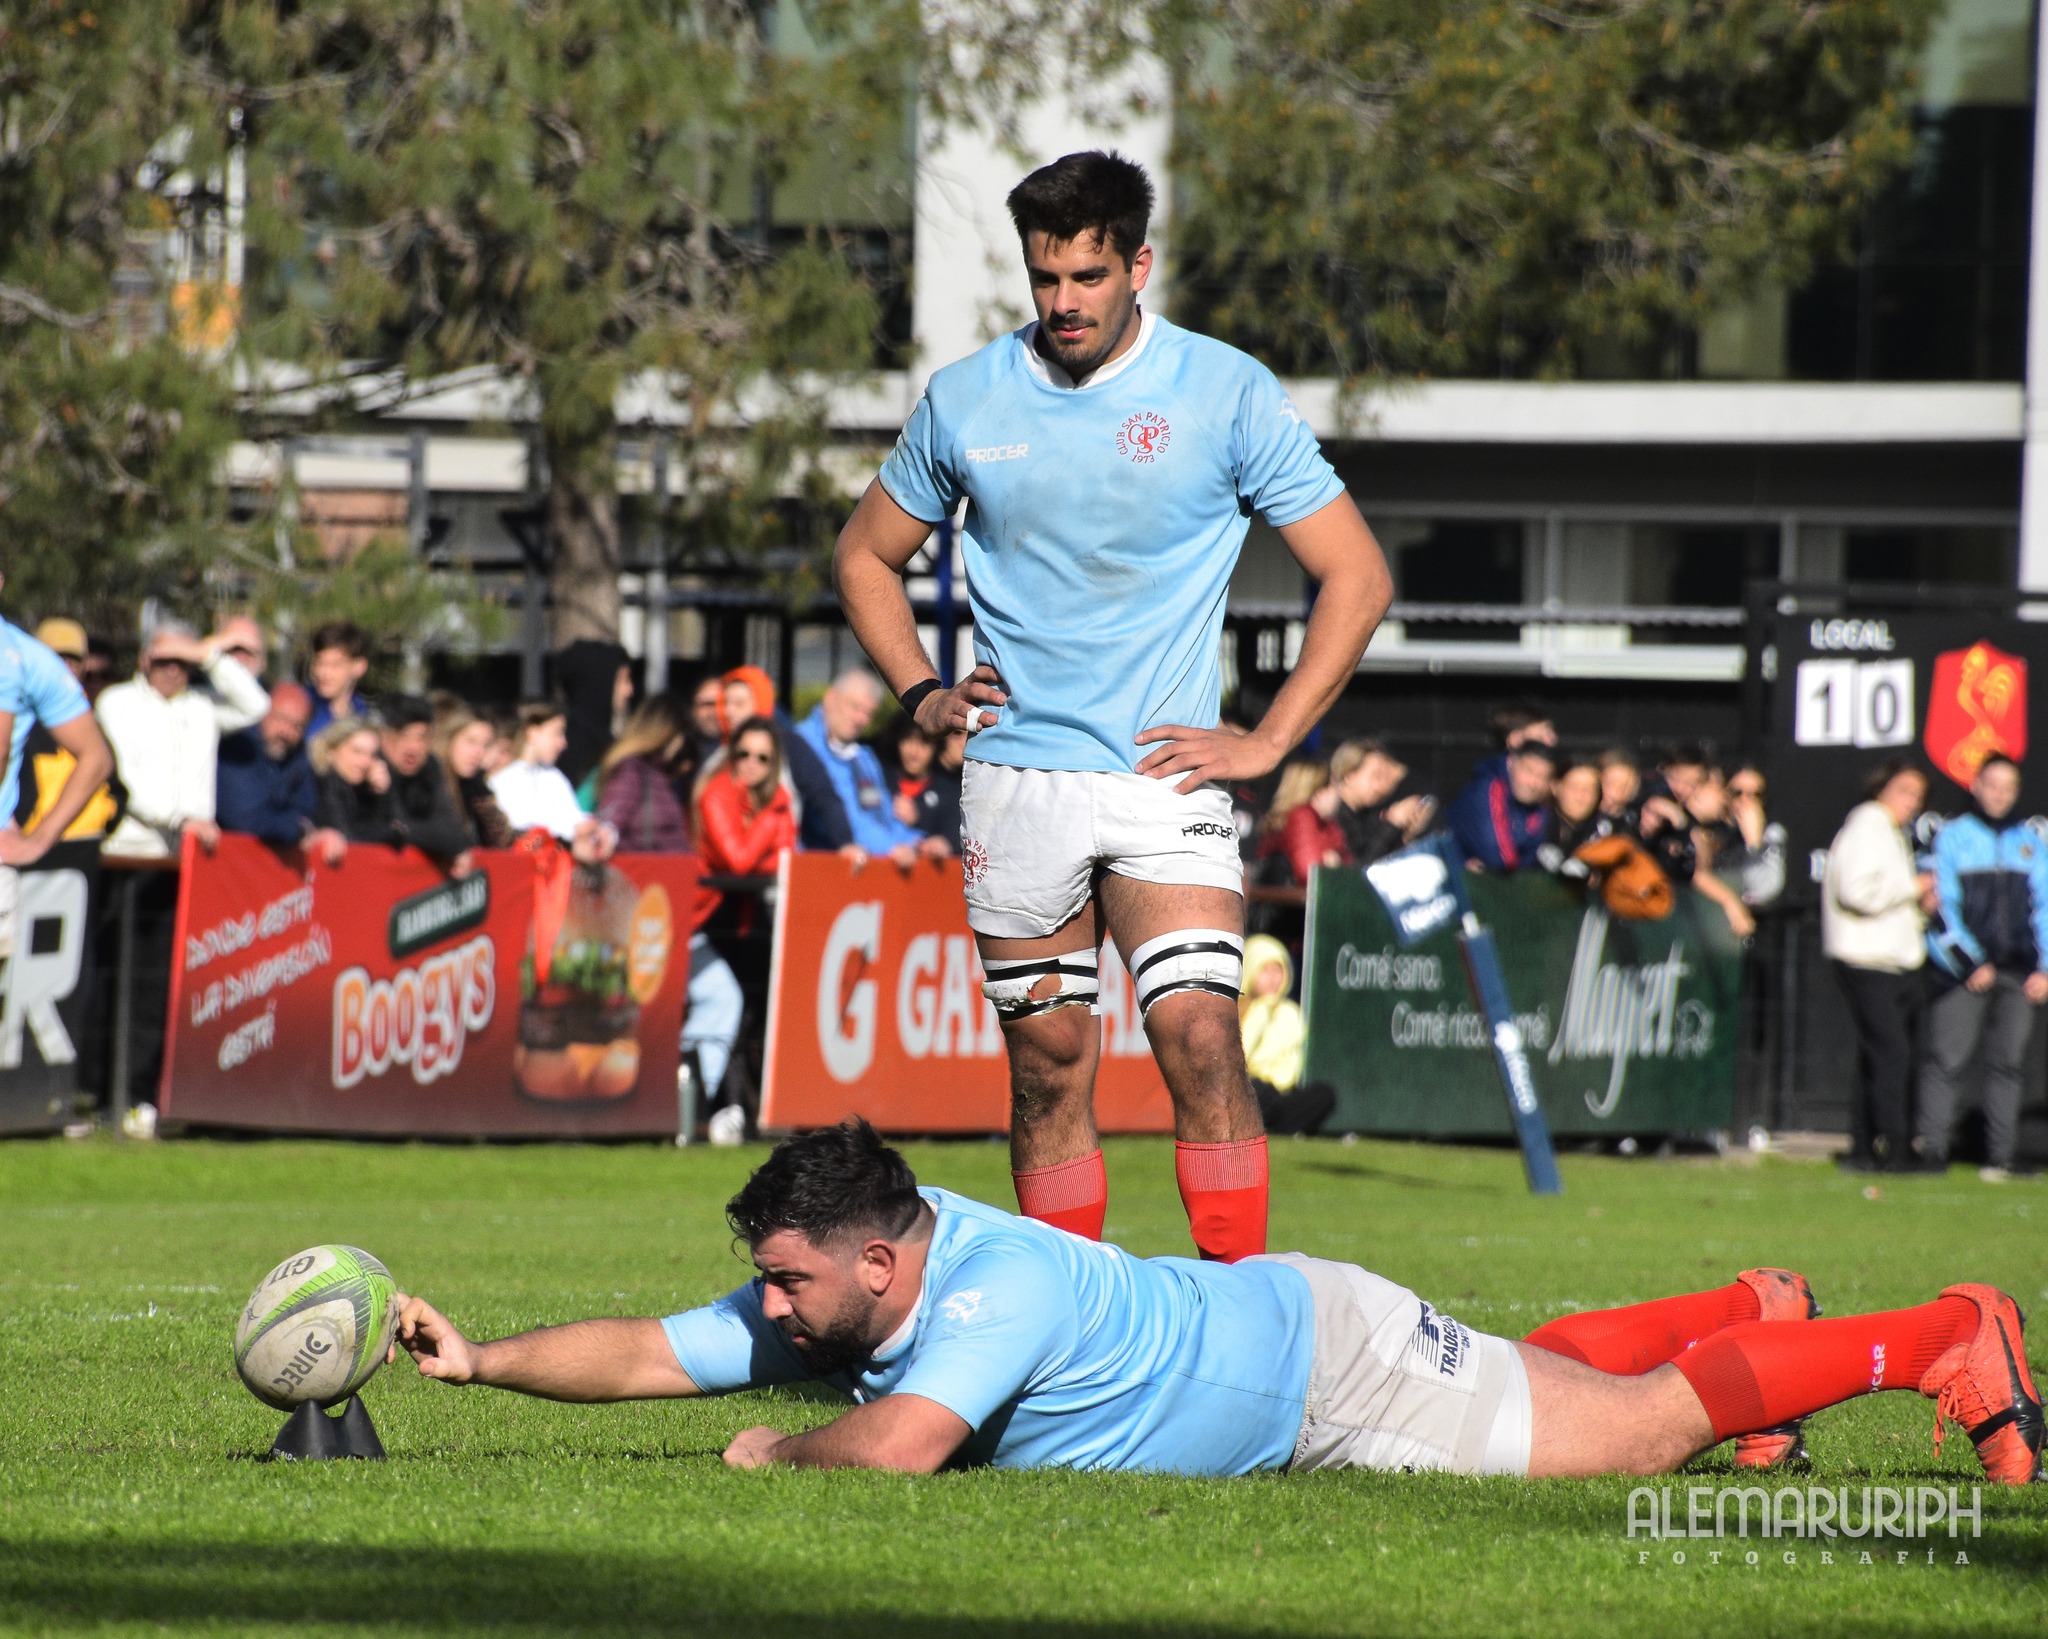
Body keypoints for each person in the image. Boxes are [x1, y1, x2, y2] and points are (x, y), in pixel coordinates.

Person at [832, 151, 1390, 1261]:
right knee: (1046, 1062)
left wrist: (1271, 740)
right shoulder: (968, 397)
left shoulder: (1223, 390)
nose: (1063, 302)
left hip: (1159, 778)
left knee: (1198, 1034)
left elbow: (1357, 574)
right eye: (1044, 279)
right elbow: (861, 557)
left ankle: (1240, 1318)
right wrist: (924, 693)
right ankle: (1069, 1326)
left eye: (1086, 277)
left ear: (1138, 263)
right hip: (1014, 778)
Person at [387, 1120, 2045, 1487]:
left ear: (880, 1261)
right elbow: (646, 1350)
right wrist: (477, 1362)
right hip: (1298, 1333)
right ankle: (1746, 1304)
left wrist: (767, 1455)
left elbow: (886, 1454)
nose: (762, 1303)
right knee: (1564, 1384)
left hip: (1330, 1376)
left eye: (785, 1279)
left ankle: (1939, 1330)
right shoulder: (863, 1272)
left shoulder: (989, 1287)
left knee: (1618, 1443)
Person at [1917, 753, 2048, 1182]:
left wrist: (2044, 968)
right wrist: (1970, 962)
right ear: (1975, 785)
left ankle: (2001, 1157)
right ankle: (1932, 1150)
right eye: (1992, 785)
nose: (2000, 795)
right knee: (1947, 1060)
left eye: (2008, 787)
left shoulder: (2029, 842)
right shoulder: (1952, 837)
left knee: (2008, 1064)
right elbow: (1942, 909)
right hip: (1964, 973)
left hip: (2018, 972)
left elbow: (2045, 910)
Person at [1821, 760, 1933, 1175]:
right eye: (1905, 791)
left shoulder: (1888, 832)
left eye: (1918, 796)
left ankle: (1863, 1149)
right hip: (1868, 960)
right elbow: (1856, 890)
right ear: (1881, 788)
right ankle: (1897, 1149)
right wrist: (1912, 887)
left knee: (1877, 1056)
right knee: (1892, 1056)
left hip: (1889, 959)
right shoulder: (1868, 825)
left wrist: (1917, 906)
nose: (1912, 803)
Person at [97, 619, 270, 860]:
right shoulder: (117, 702)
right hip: (129, 848)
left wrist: (207, 655)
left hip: (192, 849)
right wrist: (179, 819)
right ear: (145, 660)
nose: (173, 670)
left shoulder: (203, 706)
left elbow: (257, 705)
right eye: (164, 660)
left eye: (182, 661)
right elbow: (123, 779)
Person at [0, 594, 117, 948]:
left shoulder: (27, 658)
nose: (67, 664)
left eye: (74, 658)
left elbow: (97, 758)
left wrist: (39, 840)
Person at [794, 669, 941, 868]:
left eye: (868, 713)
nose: (860, 719)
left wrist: (917, 842)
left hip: (863, 868)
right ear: (830, 698)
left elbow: (882, 813)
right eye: (854, 707)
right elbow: (845, 814)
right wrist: (889, 847)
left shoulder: (863, 757)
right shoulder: (802, 744)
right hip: (815, 867)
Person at [14, 617, 125, 840]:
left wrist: (102, 816)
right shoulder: (16, 714)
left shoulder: (90, 720)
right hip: (25, 848)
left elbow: (114, 788)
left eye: (72, 660)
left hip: (83, 846)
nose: (63, 668)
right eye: (55, 658)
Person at [215, 681, 345, 863]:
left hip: (271, 870)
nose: (286, 732)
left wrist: (300, 826)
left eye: (297, 726)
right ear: (263, 713)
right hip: (227, 863)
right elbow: (246, 819)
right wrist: (296, 829)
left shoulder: (297, 755)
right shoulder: (239, 745)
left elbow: (306, 810)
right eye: (280, 719)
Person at [1238, 935, 1334, 1136]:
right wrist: (1261, 1012)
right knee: (1261, 1092)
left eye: (1278, 970)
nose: (1273, 978)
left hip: (1282, 1093)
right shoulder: (1239, 1009)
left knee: (1322, 1095)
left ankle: (1277, 1127)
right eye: (1265, 970)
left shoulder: (1290, 1012)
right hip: (1249, 1087)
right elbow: (1243, 1055)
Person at [694, 716, 797, 880]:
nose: (751, 763)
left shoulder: (778, 797)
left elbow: (787, 859)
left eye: (762, 757)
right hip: (713, 898)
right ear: (734, 754)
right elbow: (739, 862)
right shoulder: (716, 796)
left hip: (755, 895)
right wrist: (769, 816)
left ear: (773, 763)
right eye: (744, 754)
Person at [378, 695, 477, 861]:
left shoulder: (430, 767)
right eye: (403, 736)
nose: (413, 748)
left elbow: (453, 833)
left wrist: (406, 830)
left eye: (422, 737)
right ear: (384, 737)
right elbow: (385, 829)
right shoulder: (368, 768)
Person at [594, 695, 695, 853]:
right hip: (647, 873)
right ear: (668, 732)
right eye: (680, 734)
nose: (680, 743)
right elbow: (611, 820)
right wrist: (605, 834)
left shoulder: (656, 772)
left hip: (669, 872)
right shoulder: (631, 769)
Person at [489, 701, 600, 843]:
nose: (563, 743)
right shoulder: (504, 780)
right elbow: (520, 831)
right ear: (533, 732)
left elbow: (574, 819)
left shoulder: (553, 777)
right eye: (557, 733)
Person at [1447, 739, 1556, 873]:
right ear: (1511, 763)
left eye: (1542, 777)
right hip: (1449, 874)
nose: (1533, 783)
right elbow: (1496, 854)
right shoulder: (1490, 787)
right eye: (1529, 771)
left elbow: (1532, 857)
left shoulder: (1539, 807)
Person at [1329, 737, 1431, 866]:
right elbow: (1359, 868)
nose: (1381, 787)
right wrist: (1393, 822)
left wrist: (1406, 836)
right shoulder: (1333, 817)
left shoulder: (1366, 814)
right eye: (1376, 776)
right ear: (1349, 775)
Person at [553, 638, 632, 789]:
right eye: (623, 680)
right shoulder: (570, 747)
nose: (629, 690)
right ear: (601, 684)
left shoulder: (603, 741)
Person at [434, 704, 515, 849]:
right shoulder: (433, 782)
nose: (478, 752)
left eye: (485, 745)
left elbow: (501, 840)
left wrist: (482, 793)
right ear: (450, 739)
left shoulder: (475, 786)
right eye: (471, 742)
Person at [885, 716, 962, 852]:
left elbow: (954, 839)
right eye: (908, 740)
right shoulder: (880, 780)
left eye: (923, 743)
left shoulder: (949, 792)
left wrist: (918, 820)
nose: (914, 752)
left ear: (936, 747)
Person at [1271, 759, 1348, 886]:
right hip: (1288, 902)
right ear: (1319, 792)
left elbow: (1349, 869)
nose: (1338, 793)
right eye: (1334, 786)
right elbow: (1310, 874)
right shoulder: (1301, 817)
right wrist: (1330, 868)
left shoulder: (1327, 824)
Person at [304, 620, 372, 737]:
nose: (324, 673)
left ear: (359, 667)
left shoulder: (364, 718)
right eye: (319, 663)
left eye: (336, 665)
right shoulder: (301, 705)